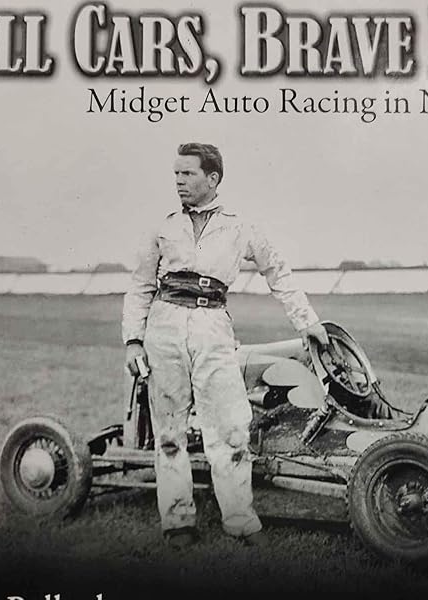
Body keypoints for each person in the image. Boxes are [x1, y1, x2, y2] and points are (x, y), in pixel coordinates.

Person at [121, 142, 329, 549]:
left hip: (213, 325)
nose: (179, 181)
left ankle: (240, 521)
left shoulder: (240, 226)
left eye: (188, 174)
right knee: (169, 430)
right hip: (164, 326)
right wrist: (133, 341)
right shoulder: (163, 226)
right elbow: (140, 286)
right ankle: (178, 522)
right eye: (175, 174)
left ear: (212, 178)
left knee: (230, 429)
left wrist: (309, 323)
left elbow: (279, 273)